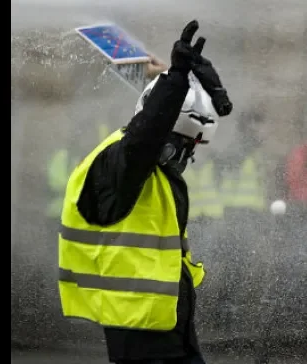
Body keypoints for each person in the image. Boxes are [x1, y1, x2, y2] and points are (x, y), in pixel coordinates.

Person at [57, 20, 233, 364]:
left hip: (167, 323)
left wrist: (171, 78)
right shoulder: (120, 162)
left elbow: (153, 123)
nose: (185, 158)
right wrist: (175, 79)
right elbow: (146, 135)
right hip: (140, 333)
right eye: (183, 147)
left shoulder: (147, 170)